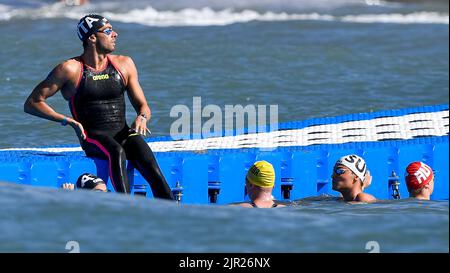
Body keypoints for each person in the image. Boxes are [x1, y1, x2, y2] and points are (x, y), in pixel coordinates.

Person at [24, 14, 174, 200]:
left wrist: (142, 117)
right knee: (116, 152)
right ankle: (125, 206)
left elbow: (143, 106)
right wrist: (67, 121)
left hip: (123, 132)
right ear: (92, 37)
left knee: (147, 157)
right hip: (92, 137)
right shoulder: (70, 69)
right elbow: (32, 103)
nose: (115, 34)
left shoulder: (124, 64)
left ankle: (171, 208)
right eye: (108, 31)